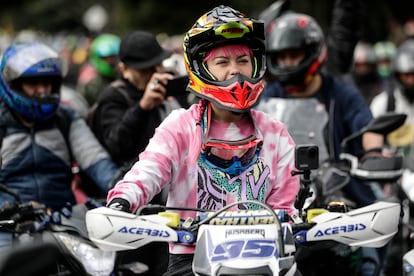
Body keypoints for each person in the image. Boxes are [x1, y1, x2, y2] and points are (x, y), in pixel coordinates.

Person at [106, 5, 300, 275]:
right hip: (191, 257)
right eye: (222, 62)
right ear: (200, 69)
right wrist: (123, 201)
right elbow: (148, 171)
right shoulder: (180, 126)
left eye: (243, 60)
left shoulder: (275, 132)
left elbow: (285, 204)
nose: (235, 71)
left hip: (268, 258)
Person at [262, 12, 388, 276]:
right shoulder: (267, 97)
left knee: (369, 258)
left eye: (293, 55)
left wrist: (373, 153)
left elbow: (367, 128)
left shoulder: (339, 92)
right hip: (281, 199)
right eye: (281, 56)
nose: (286, 62)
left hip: (340, 194)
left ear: (311, 51)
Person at [90, 30, 181, 276]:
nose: (153, 73)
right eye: (144, 69)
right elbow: (117, 145)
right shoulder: (113, 97)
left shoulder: (165, 91)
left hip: (168, 201)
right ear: (124, 69)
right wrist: (142, 107)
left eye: (156, 66)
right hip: (131, 204)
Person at [0, 41, 118, 210]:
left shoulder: (65, 117)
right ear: (14, 85)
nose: (42, 91)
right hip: (8, 223)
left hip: (62, 220)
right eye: (33, 84)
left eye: (47, 83)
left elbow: (96, 161)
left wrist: (125, 193)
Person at [77, 33, 121, 106]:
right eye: (106, 58)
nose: (110, 61)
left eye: (113, 57)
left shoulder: (126, 78)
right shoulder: (90, 83)